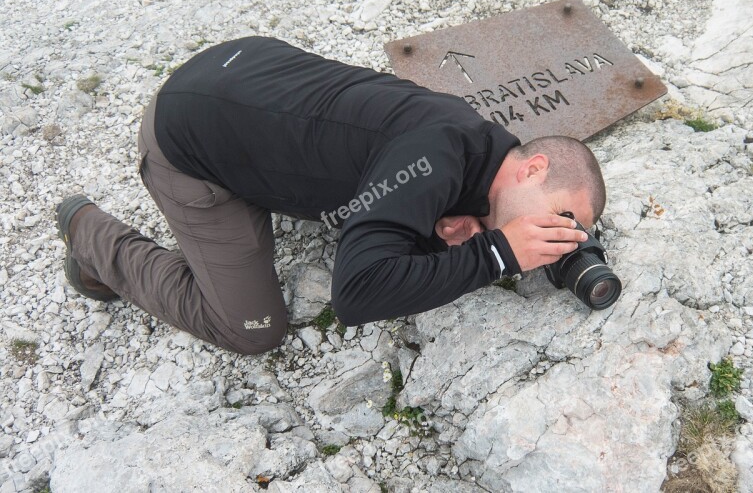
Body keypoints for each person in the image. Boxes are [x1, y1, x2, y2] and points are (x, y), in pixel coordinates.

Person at [55, 36, 605, 356]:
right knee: (251, 329)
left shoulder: (475, 148)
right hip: (189, 138)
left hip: (246, 69)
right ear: (534, 168)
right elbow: (357, 294)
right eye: (563, 217)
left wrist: (464, 233)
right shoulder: (433, 157)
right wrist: (497, 253)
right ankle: (90, 235)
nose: (560, 238)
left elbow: (404, 197)